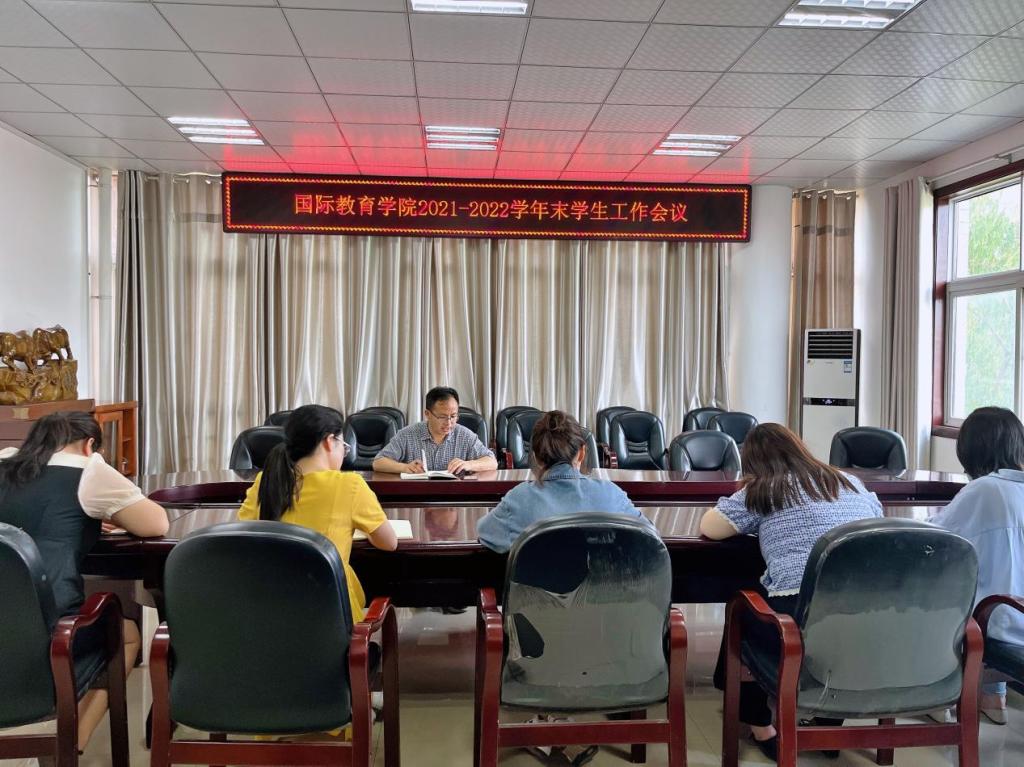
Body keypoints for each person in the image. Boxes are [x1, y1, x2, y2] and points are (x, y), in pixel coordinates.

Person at [699, 423, 883, 760]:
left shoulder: (765, 489)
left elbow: (710, 527)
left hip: (801, 619)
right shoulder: (849, 482)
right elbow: (877, 519)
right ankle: (828, 723)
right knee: (831, 627)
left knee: (744, 606)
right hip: (868, 613)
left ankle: (761, 726)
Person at [0, 411, 169, 752]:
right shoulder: (88, 469)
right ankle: (73, 739)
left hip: (8, 631)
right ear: (90, 444)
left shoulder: (4, 462)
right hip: (48, 634)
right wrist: (105, 509)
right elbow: (156, 524)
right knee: (126, 633)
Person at [238, 404, 398, 622]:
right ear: (329, 441)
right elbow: (389, 543)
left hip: (268, 614)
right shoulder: (350, 485)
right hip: (330, 618)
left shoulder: (264, 481)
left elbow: (244, 537)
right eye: (343, 446)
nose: (343, 452)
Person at [931, 406, 1024, 725]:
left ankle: (936, 693)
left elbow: (935, 539)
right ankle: (993, 697)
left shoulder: (985, 490)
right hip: (1014, 614)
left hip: (1002, 622)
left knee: (932, 589)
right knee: (993, 580)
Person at [478, 409, 651, 553]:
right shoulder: (612, 494)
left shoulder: (518, 499)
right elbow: (650, 536)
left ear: (535, 457)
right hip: (606, 585)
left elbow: (484, 533)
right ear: (582, 453)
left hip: (538, 586)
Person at [372, 386, 497, 475]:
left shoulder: (465, 435)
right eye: (442, 417)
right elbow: (378, 462)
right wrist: (405, 468)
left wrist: (468, 464)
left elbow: (492, 462)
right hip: (417, 496)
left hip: (455, 496)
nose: (449, 422)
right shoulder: (407, 434)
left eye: (453, 416)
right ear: (427, 414)